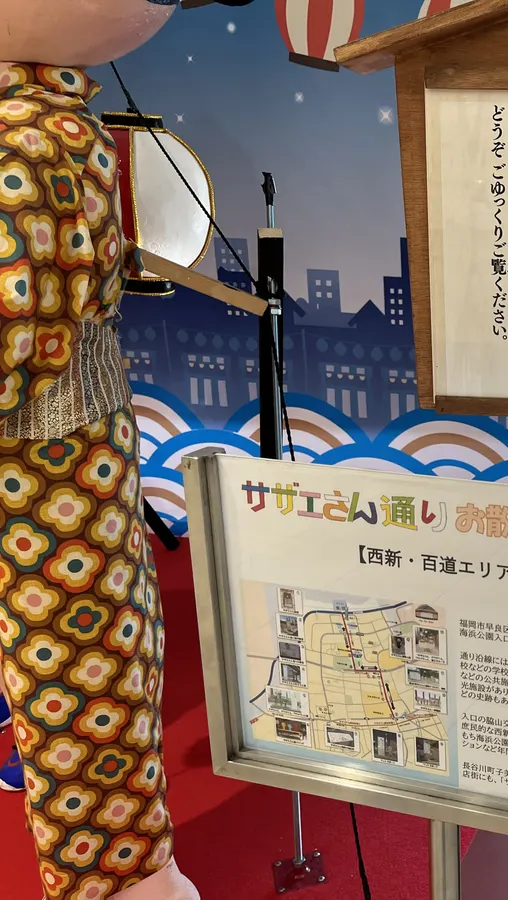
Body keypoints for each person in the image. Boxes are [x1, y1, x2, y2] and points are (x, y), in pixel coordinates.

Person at [0, 2, 200, 898]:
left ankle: (117, 883)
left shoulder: (25, 141)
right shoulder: (61, 120)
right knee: (105, 665)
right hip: (80, 444)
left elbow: (10, 330)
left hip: (36, 461)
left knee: (77, 688)